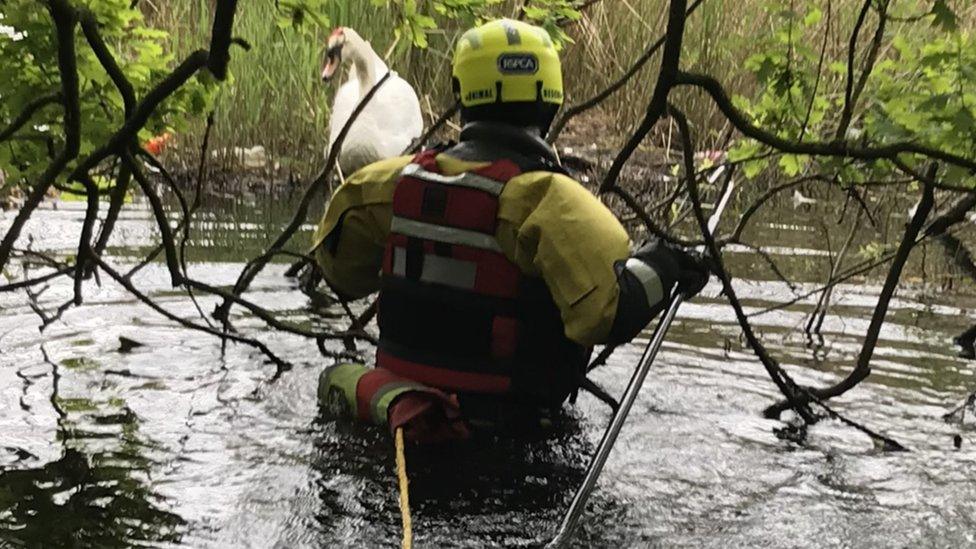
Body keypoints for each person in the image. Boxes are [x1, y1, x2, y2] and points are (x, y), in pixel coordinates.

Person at [312, 19, 709, 443]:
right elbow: (605, 314)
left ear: (462, 95)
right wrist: (664, 265)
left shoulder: (385, 186)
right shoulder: (550, 201)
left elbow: (341, 274)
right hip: (507, 437)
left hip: (402, 421)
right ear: (550, 102)